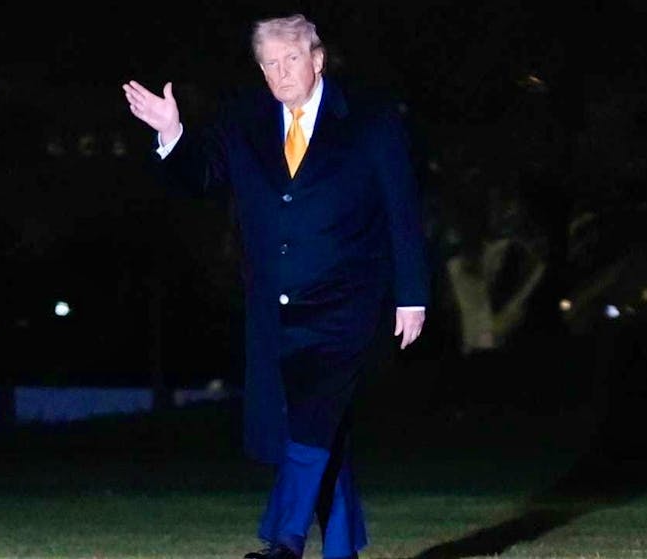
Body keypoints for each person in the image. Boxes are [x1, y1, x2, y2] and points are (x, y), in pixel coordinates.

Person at [123, 13, 429, 559]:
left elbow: (402, 211)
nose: (281, 73)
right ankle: (341, 550)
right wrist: (171, 133)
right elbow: (202, 174)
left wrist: (413, 296)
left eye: (291, 60)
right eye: (269, 63)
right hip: (274, 310)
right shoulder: (245, 120)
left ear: (317, 60)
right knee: (317, 428)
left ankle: (284, 542)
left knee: (314, 417)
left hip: (347, 304)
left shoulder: (369, 120)